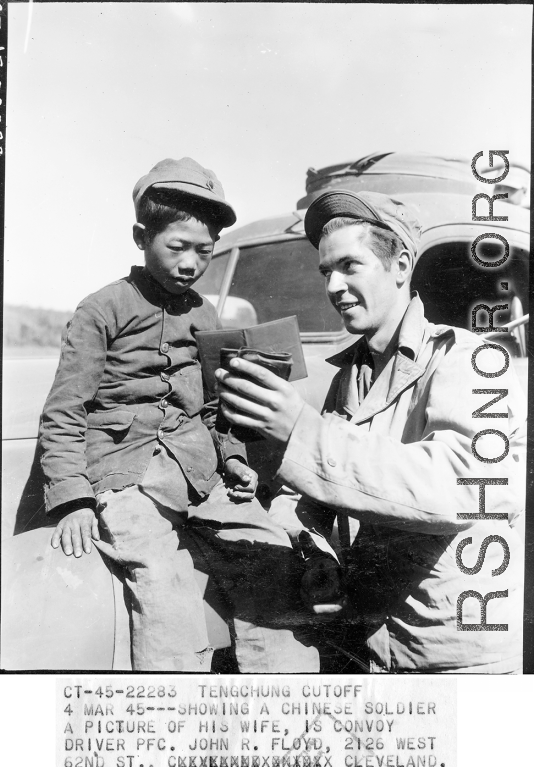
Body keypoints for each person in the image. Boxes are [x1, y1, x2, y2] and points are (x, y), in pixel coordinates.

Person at [216, 189, 526, 674]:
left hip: (450, 659)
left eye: (349, 266)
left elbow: (460, 487)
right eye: (325, 272)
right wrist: (310, 542)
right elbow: (320, 492)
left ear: (401, 266)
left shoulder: (468, 360)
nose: (333, 286)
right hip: (371, 644)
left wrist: (301, 431)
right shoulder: (351, 376)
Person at [39, 156, 319, 673]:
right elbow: (64, 413)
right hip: (123, 476)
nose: (191, 263)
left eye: (204, 251)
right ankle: (174, 711)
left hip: (199, 473)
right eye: (177, 247)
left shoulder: (205, 314)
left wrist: (233, 459)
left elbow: (214, 407)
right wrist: (73, 501)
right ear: (141, 237)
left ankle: (283, 706)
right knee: (164, 587)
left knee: (271, 560)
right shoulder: (100, 310)